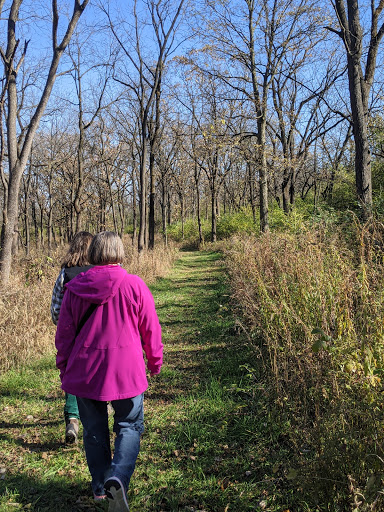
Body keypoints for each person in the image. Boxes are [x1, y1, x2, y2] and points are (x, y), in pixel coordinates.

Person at [55, 231, 163, 510]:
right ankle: (118, 479)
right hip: (127, 371)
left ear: (93, 253)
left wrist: (63, 366)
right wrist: (155, 361)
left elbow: (64, 333)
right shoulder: (135, 285)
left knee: (93, 430)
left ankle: (101, 489)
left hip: (85, 371)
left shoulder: (75, 287)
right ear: (120, 252)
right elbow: (150, 327)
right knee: (129, 426)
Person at [50, 231, 94, 444]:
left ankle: (73, 420)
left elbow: (55, 311)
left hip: (73, 335)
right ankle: (96, 415)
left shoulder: (65, 274)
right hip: (97, 335)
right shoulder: (99, 272)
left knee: (71, 375)